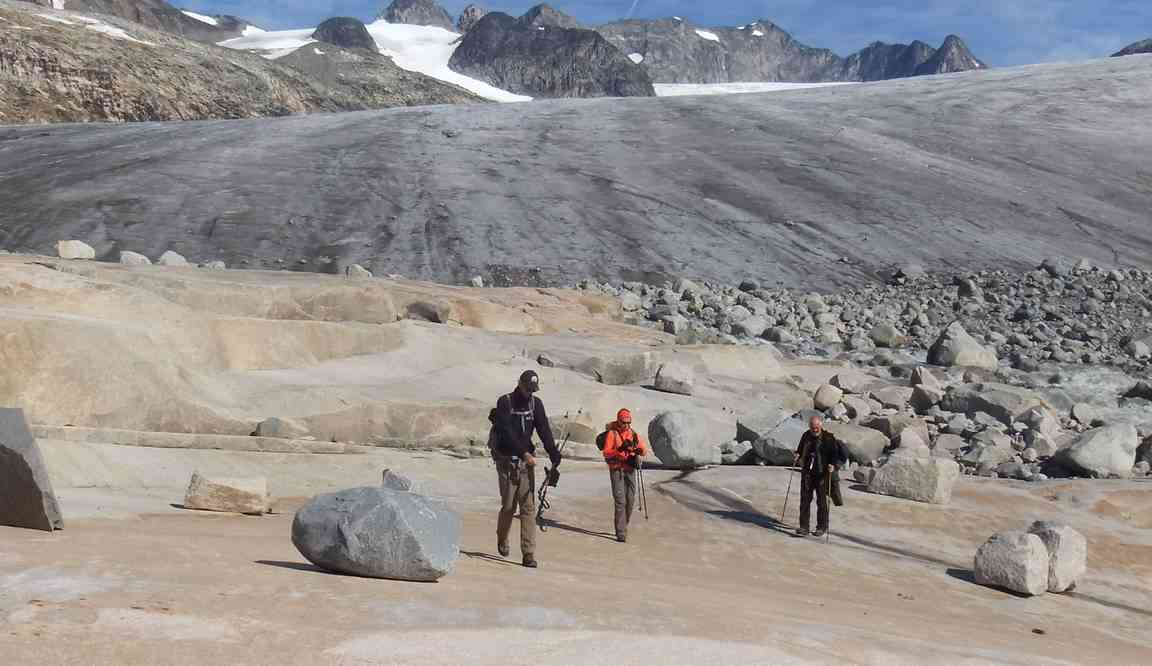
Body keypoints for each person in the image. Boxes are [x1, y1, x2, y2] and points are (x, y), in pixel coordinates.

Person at [491, 370, 562, 568]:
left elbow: (543, 429)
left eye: (533, 390)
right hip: (507, 462)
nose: (529, 393)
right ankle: (502, 537)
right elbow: (507, 433)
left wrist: (553, 453)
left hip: (525, 465)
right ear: (520, 384)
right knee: (508, 506)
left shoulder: (535, 404)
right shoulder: (505, 402)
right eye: (527, 389)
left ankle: (528, 553)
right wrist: (524, 454)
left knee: (528, 507)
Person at [793, 415, 847, 538]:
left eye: (816, 426)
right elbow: (800, 450)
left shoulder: (829, 438)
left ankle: (821, 527)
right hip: (808, 474)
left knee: (821, 502)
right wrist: (797, 455)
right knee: (805, 500)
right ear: (809, 426)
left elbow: (835, 455)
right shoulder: (806, 436)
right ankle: (804, 527)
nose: (815, 429)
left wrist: (833, 465)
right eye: (812, 427)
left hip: (822, 474)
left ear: (821, 425)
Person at [599, 409, 647, 543]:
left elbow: (644, 450)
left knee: (630, 500)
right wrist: (619, 450)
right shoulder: (612, 434)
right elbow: (606, 452)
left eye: (628, 422)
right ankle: (621, 532)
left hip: (630, 469)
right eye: (623, 422)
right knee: (620, 501)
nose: (626, 425)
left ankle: (623, 525)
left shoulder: (633, 434)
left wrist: (639, 450)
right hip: (616, 470)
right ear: (618, 421)